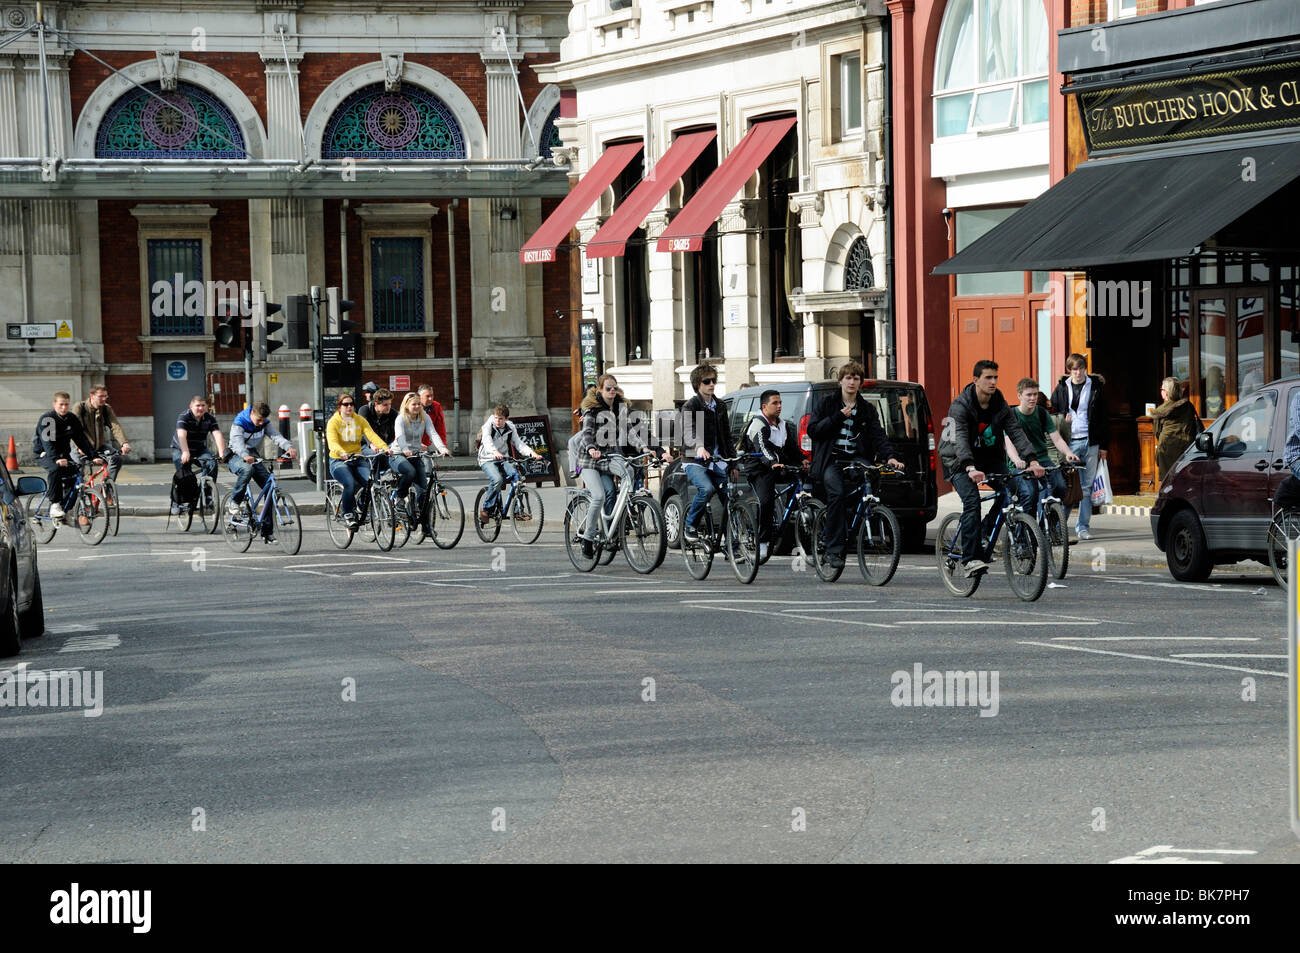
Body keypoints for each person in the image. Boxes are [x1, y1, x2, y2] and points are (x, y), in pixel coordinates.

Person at [938, 360, 1043, 576]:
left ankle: (985, 531)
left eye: (995, 377)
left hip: (987, 457)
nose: (993, 382)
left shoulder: (999, 402)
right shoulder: (961, 405)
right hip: (957, 460)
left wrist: (1032, 459)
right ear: (975, 380)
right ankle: (969, 559)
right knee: (972, 502)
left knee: (1013, 489)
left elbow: (1015, 431)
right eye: (988, 377)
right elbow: (959, 439)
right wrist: (969, 467)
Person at [808, 362, 905, 570]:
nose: (852, 382)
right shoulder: (827, 403)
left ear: (861, 383)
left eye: (856, 378)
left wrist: (890, 457)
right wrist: (839, 416)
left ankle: (859, 523)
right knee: (837, 494)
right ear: (840, 381)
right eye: (848, 378)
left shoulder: (867, 409)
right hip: (831, 460)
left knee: (872, 480)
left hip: (855, 459)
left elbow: (878, 435)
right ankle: (833, 550)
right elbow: (813, 430)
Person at [575, 374, 671, 557]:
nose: (612, 391)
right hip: (589, 460)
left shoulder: (620, 409)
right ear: (600, 390)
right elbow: (586, 434)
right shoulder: (592, 410)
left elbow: (631, 432)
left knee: (627, 471)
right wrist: (591, 448)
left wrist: (644, 447)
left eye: (614, 388)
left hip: (609, 457)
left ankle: (624, 509)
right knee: (599, 495)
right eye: (608, 388)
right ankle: (588, 537)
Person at [741, 389, 805, 562]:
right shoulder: (758, 424)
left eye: (780, 403)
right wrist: (772, 462)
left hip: (777, 466)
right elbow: (762, 447)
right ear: (764, 406)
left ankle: (797, 511)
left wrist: (802, 460)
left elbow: (791, 447)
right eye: (775, 403)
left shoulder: (783, 424)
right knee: (766, 501)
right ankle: (762, 542)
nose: (779, 406)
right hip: (759, 468)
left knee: (802, 477)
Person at [1049, 353, 1108, 540]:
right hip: (1070, 442)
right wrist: (1062, 418)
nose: (1078, 372)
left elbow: (1103, 417)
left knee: (1086, 487)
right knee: (1068, 486)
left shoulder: (1095, 387)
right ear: (1069, 370)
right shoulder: (1061, 388)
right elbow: (1052, 412)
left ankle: (1082, 527)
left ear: (1085, 368)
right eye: (1074, 369)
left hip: (1090, 441)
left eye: (1081, 368)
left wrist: (1104, 446)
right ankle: (1059, 527)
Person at [1002, 377, 1080, 517]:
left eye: (1035, 394)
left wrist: (1068, 452)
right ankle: (1024, 535)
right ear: (1019, 396)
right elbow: (1009, 443)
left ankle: (1052, 530)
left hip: (1042, 459)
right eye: (1029, 395)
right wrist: (1016, 460)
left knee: (1060, 487)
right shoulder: (1012, 415)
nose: (1033, 398)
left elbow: (1056, 438)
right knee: (1030, 494)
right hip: (1020, 463)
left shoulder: (1042, 413)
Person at [679, 362, 733, 544]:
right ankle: (690, 525)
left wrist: (732, 463)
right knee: (707, 489)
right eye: (707, 381)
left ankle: (729, 542)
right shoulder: (691, 405)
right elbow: (689, 430)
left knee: (730, 496)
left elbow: (727, 436)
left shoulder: (720, 406)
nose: (711, 384)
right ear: (698, 384)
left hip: (716, 460)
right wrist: (699, 446)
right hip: (694, 460)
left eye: (714, 380)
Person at [34, 392, 102, 520]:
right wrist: (56, 459)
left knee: (76, 476)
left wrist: (93, 456)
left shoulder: (71, 418)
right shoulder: (48, 419)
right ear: (54, 404)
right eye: (61, 405)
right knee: (55, 469)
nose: (64, 408)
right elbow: (47, 443)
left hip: (63, 455)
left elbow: (81, 439)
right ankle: (55, 504)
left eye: (66, 405)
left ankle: (65, 510)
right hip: (45, 453)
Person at [326, 390, 389, 527]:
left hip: (357, 458)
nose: (349, 407)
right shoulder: (333, 422)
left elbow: (371, 435)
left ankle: (361, 507)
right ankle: (347, 513)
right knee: (349, 483)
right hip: (339, 460)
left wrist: (385, 448)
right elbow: (332, 442)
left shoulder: (359, 420)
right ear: (339, 407)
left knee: (370, 482)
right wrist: (341, 452)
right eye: (346, 404)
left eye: (352, 404)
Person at [227, 401, 297, 515]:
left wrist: (289, 447)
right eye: (259, 420)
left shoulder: (264, 423)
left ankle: (267, 531)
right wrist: (245, 455)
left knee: (270, 488)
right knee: (247, 469)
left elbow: (275, 436)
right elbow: (237, 443)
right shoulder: (240, 422)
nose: (261, 423)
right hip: (236, 454)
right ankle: (234, 501)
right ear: (252, 413)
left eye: (263, 420)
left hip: (252, 454)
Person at [476, 404, 541, 524]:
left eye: (501, 419)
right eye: (496, 418)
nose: (497, 421)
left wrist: (533, 454)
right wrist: (494, 451)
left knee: (518, 477)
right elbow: (487, 440)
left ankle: (517, 510)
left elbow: (519, 443)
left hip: (503, 458)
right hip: (486, 458)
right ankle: (486, 509)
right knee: (497, 479)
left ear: (507, 419)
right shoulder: (488, 426)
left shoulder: (510, 427)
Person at [392, 391, 450, 519]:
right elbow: (400, 437)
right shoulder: (401, 418)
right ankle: (399, 497)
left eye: (419, 404)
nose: (418, 407)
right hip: (398, 454)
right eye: (414, 404)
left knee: (423, 491)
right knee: (410, 472)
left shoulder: (424, 417)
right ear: (407, 405)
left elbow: (433, 433)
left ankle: (426, 527)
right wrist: (405, 449)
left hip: (415, 454)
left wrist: (442, 448)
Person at [71, 385, 130, 481]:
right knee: (77, 472)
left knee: (117, 458)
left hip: (99, 446)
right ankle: (79, 492)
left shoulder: (106, 409)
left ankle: (108, 486)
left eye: (105, 396)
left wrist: (124, 443)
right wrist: (79, 447)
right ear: (92, 396)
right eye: (101, 396)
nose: (104, 399)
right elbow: (75, 430)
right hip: (80, 447)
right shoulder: (80, 407)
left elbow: (115, 426)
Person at [1151, 376, 1203, 483]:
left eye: (1162, 389)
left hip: (1166, 449)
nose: (1161, 391)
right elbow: (1194, 425)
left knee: (1168, 483)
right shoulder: (1188, 406)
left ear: (1166, 392)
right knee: (1185, 481)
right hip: (1186, 449)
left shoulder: (1160, 411)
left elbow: (1157, 432)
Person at [171, 394, 227, 482]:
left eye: (203, 405)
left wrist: (222, 453)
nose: (201, 408)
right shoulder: (184, 416)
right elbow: (181, 435)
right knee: (184, 475)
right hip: (181, 449)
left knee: (212, 464)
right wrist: (185, 452)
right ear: (191, 406)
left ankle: (207, 491)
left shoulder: (210, 418)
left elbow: (217, 434)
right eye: (198, 405)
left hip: (199, 449)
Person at [416, 384, 449, 448]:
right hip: (409, 444)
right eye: (427, 396)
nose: (430, 398)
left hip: (425, 444)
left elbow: (440, 428)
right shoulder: (413, 407)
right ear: (419, 396)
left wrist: (443, 446)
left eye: (432, 395)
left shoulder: (436, 406)